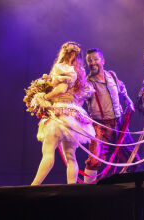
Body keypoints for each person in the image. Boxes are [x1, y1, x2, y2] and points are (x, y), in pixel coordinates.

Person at [31, 42, 95, 185]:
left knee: (48, 152)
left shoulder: (64, 68)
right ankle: (72, 189)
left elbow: (61, 89)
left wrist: (44, 97)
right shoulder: (80, 72)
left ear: (66, 54)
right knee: (71, 156)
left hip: (60, 112)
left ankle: (33, 186)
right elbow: (79, 100)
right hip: (73, 114)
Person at [84, 48, 138, 183]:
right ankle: (86, 194)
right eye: (89, 60)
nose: (92, 62)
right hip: (100, 126)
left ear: (103, 61)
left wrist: (128, 100)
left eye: (95, 59)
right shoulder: (87, 82)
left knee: (133, 160)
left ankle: (127, 192)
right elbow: (79, 97)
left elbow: (121, 89)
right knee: (94, 160)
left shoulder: (112, 75)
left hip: (119, 125)